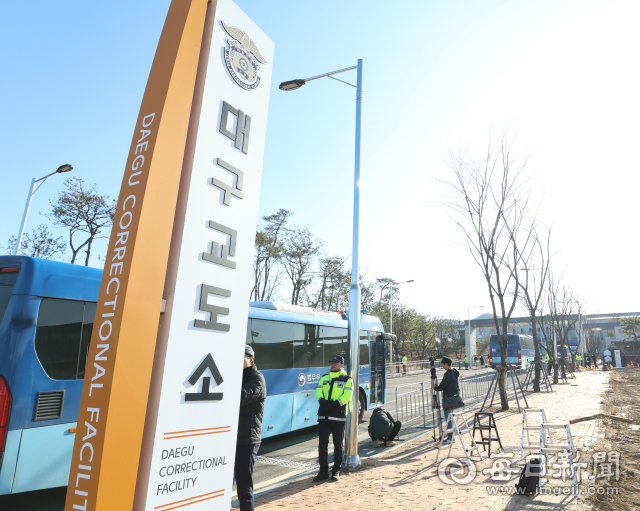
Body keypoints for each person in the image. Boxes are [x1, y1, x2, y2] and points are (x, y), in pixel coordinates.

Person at [235, 346, 266, 511]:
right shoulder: (237, 376)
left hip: (247, 438)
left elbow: (239, 397)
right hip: (232, 436)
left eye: (241, 356)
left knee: (244, 486)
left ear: (251, 359)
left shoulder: (257, 379)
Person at [313, 355, 352, 483]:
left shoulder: (347, 379)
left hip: (338, 417)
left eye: (336, 362)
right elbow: (318, 391)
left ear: (342, 365)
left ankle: (336, 471)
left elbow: (348, 395)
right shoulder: (324, 378)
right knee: (322, 444)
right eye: (332, 362)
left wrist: (336, 404)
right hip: (324, 416)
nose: (333, 364)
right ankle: (323, 471)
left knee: (338, 446)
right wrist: (322, 401)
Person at [434, 357, 460, 444]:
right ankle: (451, 436)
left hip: (448, 398)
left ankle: (450, 438)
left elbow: (442, 386)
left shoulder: (448, 374)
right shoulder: (454, 372)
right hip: (452, 397)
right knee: (450, 417)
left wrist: (436, 388)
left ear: (445, 364)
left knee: (448, 418)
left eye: (442, 364)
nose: (442, 366)